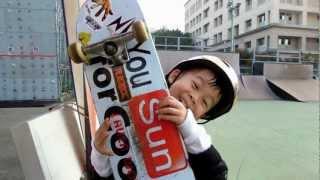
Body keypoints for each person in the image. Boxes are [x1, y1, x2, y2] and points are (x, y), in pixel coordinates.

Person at [91, 55, 239, 180]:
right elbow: (104, 174)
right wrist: (99, 153)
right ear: (174, 76)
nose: (195, 98)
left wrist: (188, 127)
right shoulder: (128, 112)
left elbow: (217, 175)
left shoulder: (194, 142)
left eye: (205, 102)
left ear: (202, 115)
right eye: (195, 85)